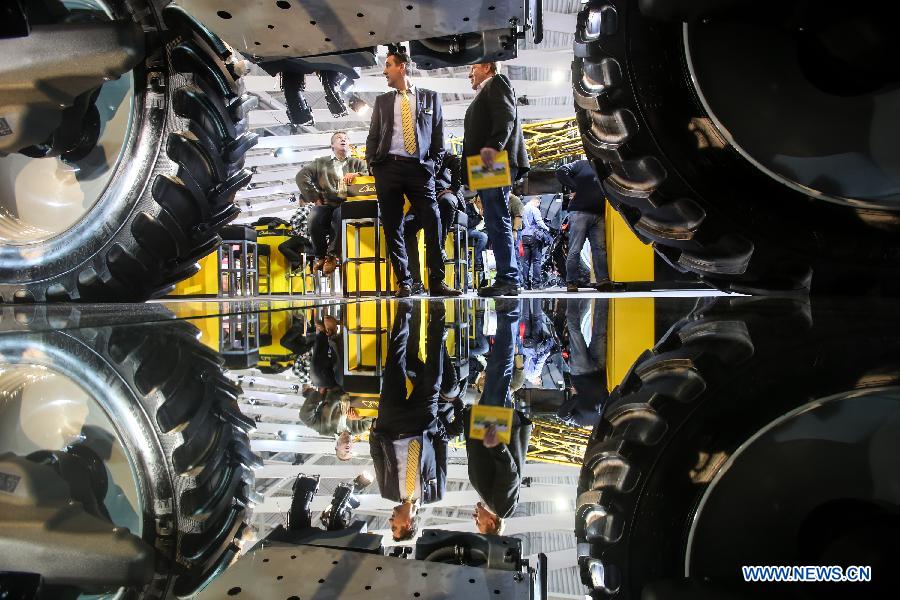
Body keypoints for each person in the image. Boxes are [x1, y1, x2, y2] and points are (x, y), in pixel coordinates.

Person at [366, 51, 460, 298]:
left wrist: (432, 167)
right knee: (393, 226)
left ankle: (437, 281)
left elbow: (439, 139)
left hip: (420, 170)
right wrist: (373, 165)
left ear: (402, 67)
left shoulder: (430, 98)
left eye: (388, 66)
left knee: (433, 220)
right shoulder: (382, 101)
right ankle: (405, 282)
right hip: (388, 168)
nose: (384, 71)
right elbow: (373, 136)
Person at [369, 300, 449, 541]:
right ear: (408, 525)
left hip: (391, 424)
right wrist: (437, 427)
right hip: (421, 422)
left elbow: (377, 458)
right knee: (434, 374)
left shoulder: (387, 492)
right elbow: (442, 453)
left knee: (395, 363)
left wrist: (374, 431)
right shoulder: (435, 493)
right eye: (394, 527)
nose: (390, 521)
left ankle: (405, 309)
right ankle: (437, 315)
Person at [464, 298, 533, 534]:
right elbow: (510, 475)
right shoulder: (503, 508)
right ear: (491, 524)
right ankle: (509, 312)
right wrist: (496, 446)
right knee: (499, 371)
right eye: (478, 524)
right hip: (495, 433)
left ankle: (508, 314)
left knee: (498, 371)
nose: (475, 518)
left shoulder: (493, 502)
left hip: (489, 429)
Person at [463, 62, 530, 298]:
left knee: (497, 217)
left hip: (492, 160)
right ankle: (507, 277)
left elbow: (506, 118)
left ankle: (508, 278)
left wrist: (491, 151)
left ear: (488, 67)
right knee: (494, 217)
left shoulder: (497, 82)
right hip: (488, 162)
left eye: (474, 67)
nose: (470, 73)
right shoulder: (486, 90)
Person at [296, 131, 367, 274]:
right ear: (332, 145)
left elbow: (369, 173)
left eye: (346, 138)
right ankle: (320, 256)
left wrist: (357, 174)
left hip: (348, 202)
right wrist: (315, 197)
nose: (343, 140)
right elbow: (301, 176)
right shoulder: (320, 163)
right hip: (327, 203)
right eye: (339, 138)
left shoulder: (357, 163)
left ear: (349, 144)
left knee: (340, 216)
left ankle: (332, 256)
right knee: (313, 218)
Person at [555, 159, 625, 292]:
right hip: (579, 213)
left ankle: (602, 280)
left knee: (599, 249)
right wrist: (574, 187)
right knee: (575, 248)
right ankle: (571, 282)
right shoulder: (581, 164)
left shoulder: (606, 167)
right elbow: (560, 171)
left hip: (599, 214)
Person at [403, 152, 464, 294]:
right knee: (407, 227)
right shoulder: (408, 156)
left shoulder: (432, 148)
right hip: (423, 199)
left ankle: (440, 247)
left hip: (444, 192)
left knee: (446, 203)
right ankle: (416, 281)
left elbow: (456, 161)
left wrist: (454, 188)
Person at [520, 197, 551, 290]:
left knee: (526, 261)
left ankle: (526, 284)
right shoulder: (535, 209)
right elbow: (539, 222)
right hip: (534, 236)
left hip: (524, 236)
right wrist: (547, 228)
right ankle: (536, 284)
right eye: (538, 204)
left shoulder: (522, 209)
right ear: (536, 202)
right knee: (537, 261)